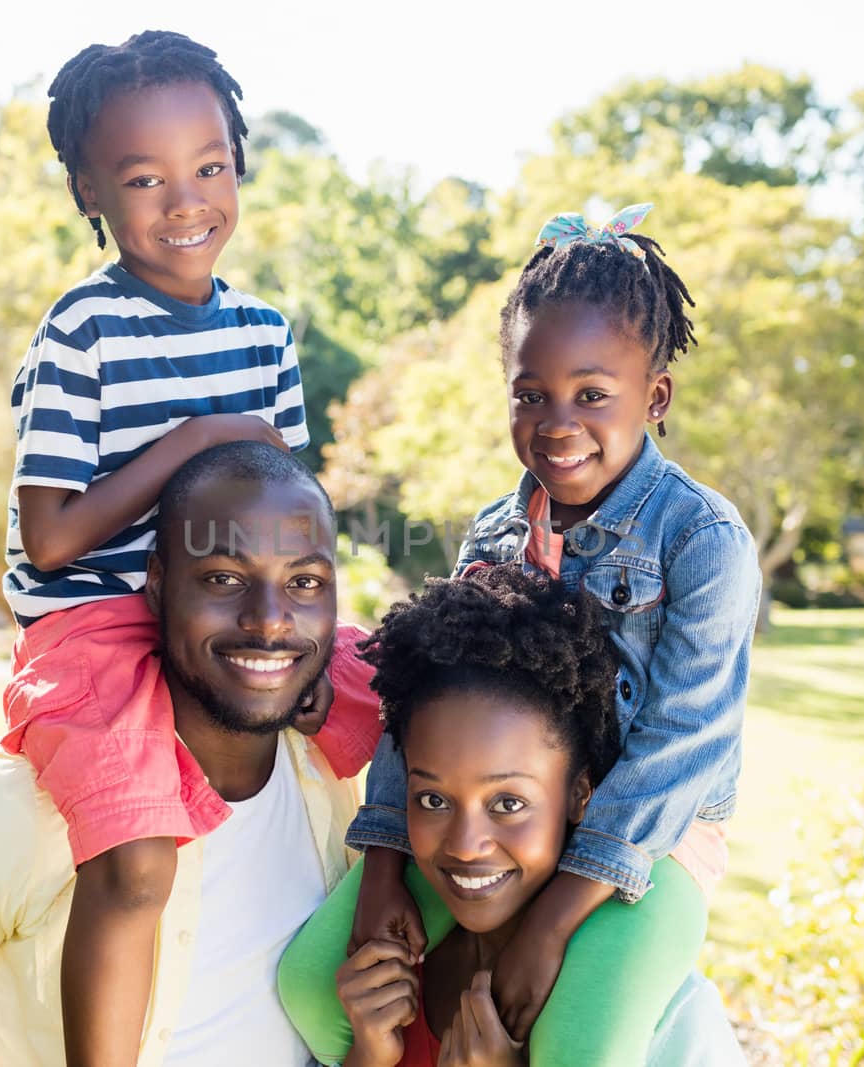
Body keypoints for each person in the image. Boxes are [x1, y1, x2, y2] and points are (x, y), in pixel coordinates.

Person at [280, 204, 760, 1065]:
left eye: (592, 395)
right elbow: (420, 705)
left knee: (574, 1048)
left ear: (654, 397)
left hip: (649, 841)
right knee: (319, 986)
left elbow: (683, 746)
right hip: (493, 811)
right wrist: (385, 862)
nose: (558, 422)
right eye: (530, 394)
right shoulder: (494, 535)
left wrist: (555, 916)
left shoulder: (702, 541)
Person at [0, 31, 371, 1066]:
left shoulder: (261, 332)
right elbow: (53, 537)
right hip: (98, 622)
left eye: (209, 167)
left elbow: (290, 505)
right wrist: (198, 438)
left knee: (410, 718)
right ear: (89, 191)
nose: (186, 200)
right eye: (144, 178)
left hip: (223, 608)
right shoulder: (82, 332)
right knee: (138, 857)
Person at [0, 442, 382, 1067]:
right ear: (158, 587)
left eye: (305, 582)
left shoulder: (337, 777)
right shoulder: (31, 804)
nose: (269, 622)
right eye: (223, 578)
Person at [316, 565, 745, 1066]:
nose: (464, 843)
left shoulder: (653, 1016)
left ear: (580, 794)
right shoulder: (390, 980)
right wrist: (368, 1053)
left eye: (508, 804)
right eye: (433, 800)